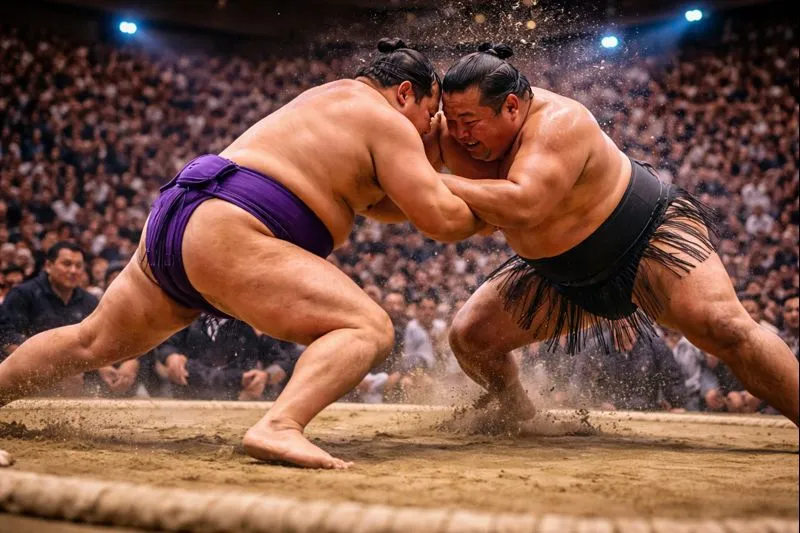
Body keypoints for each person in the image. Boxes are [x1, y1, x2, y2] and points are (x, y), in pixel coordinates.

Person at [0, 39, 483, 469]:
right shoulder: (386, 120)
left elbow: (385, 206)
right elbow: (441, 220)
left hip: (182, 214)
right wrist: (512, 205)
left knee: (91, 340)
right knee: (366, 327)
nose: (430, 126)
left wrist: (433, 169)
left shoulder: (327, 100)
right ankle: (280, 427)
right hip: (231, 225)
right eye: (430, 111)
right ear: (404, 92)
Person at [426, 43, 799, 425]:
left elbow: (525, 203)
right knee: (472, 339)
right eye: (451, 121)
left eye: (469, 122)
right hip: (561, 274)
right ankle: (519, 416)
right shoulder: (452, 134)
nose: (459, 133)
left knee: (725, 327)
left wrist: (431, 181)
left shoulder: (559, 122)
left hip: (648, 240)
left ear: (511, 106)